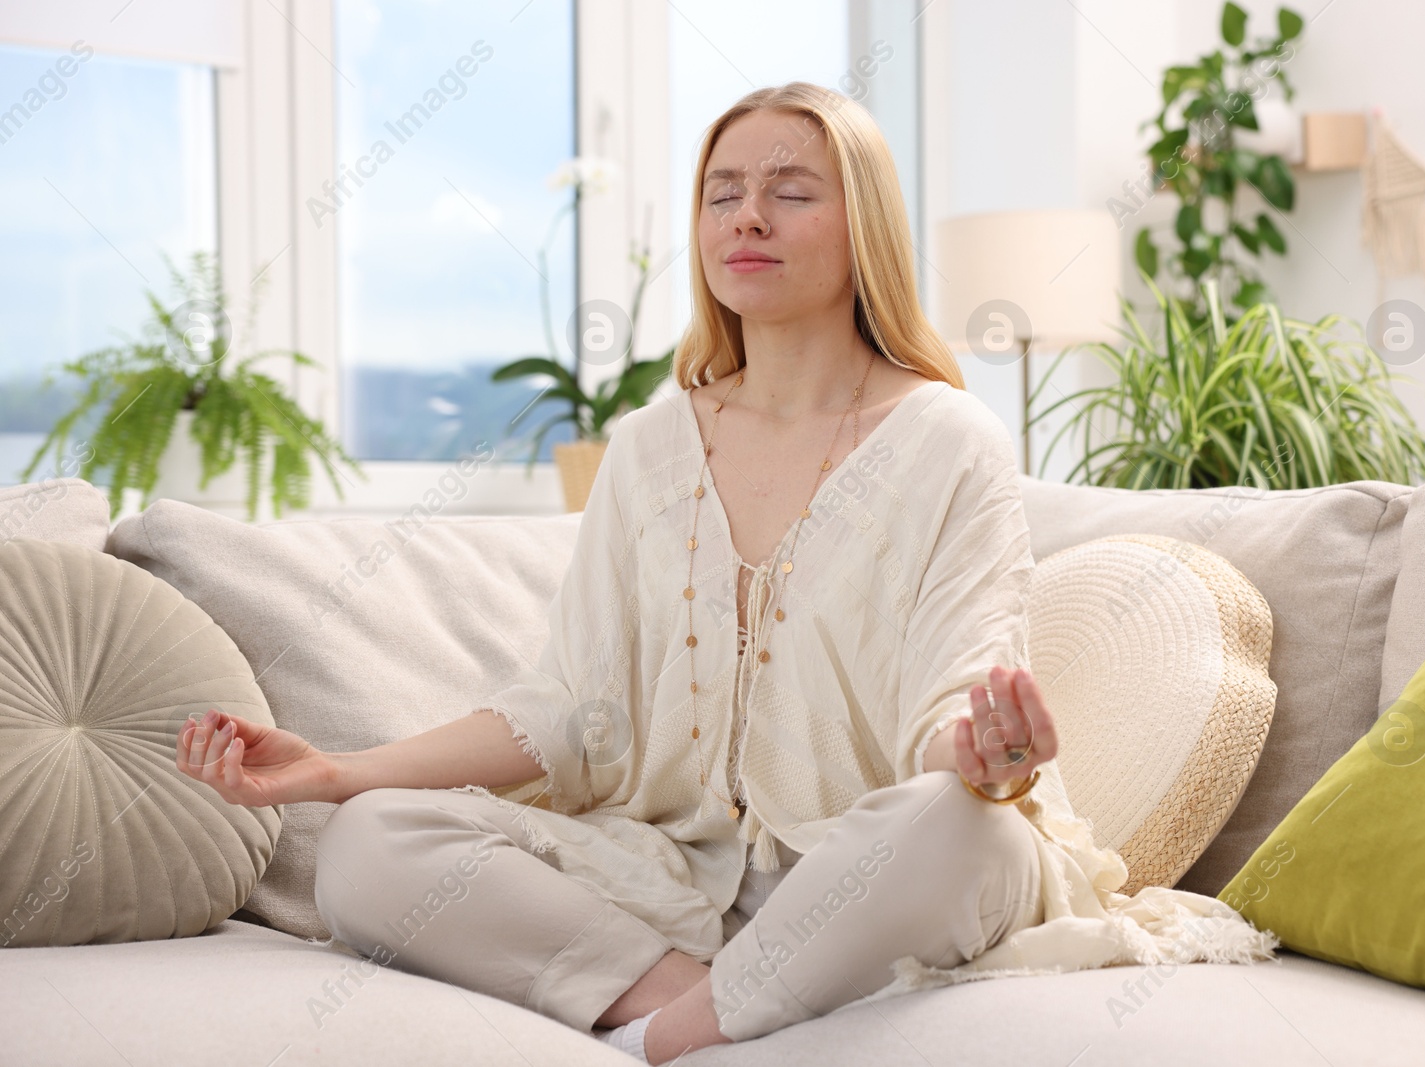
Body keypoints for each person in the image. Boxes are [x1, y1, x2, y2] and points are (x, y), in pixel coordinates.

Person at [174, 81, 1276, 1065]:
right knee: (371, 844)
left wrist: (986, 755)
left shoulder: (950, 438)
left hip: (877, 860)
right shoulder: (650, 446)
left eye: (791, 190)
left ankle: (663, 1037)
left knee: (962, 823)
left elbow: (953, 703)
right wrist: (337, 772)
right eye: (722, 192)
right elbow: (565, 711)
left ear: (865, 229)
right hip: (675, 875)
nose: (747, 215)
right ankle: (697, 1008)